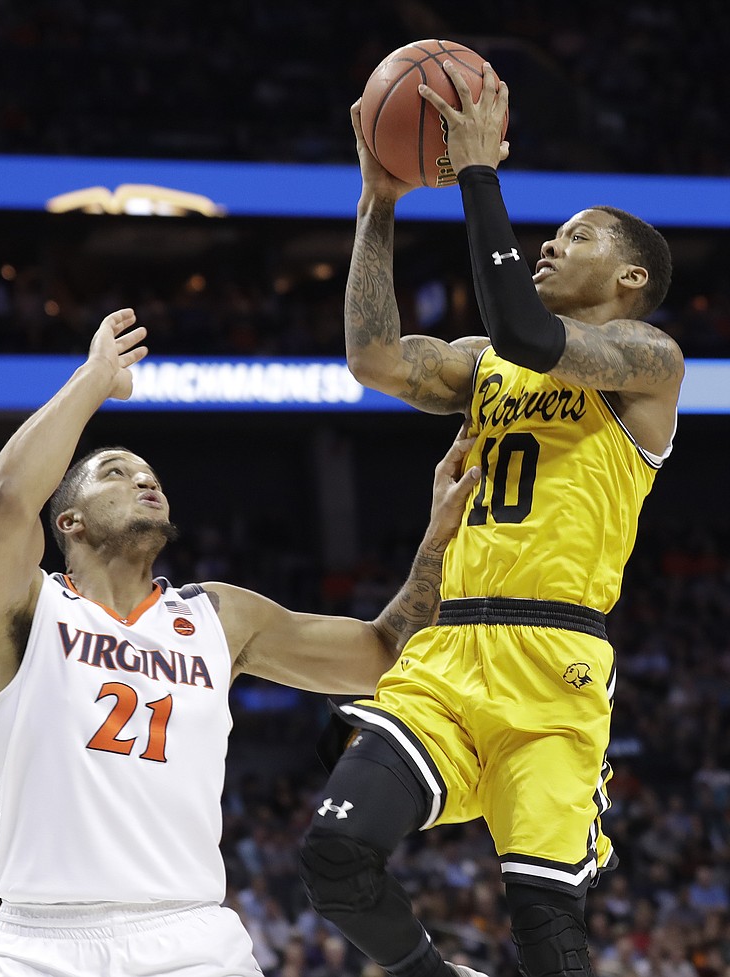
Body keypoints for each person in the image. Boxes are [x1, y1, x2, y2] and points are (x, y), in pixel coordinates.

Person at [298, 63, 684, 977]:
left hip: (556, 670)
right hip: (449, 656)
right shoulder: (483, 368)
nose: (550, 247)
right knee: (333, 858)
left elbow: (533, 336)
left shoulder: (647, 362)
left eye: (574, 237)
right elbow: (373, 357)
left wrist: (479, 172)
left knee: (549, 945)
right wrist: (377, 201)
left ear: (630, 275)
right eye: (547, 237)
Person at [0, 308, 482, 977]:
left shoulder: (217, 616)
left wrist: (436, 543)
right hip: (42, 940)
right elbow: (3, 500)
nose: (144, 479)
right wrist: (94, 379)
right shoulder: (27, 607)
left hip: (190, 935)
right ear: (71, 520)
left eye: (150, 474)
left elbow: (380, 652)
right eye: (116, 472)